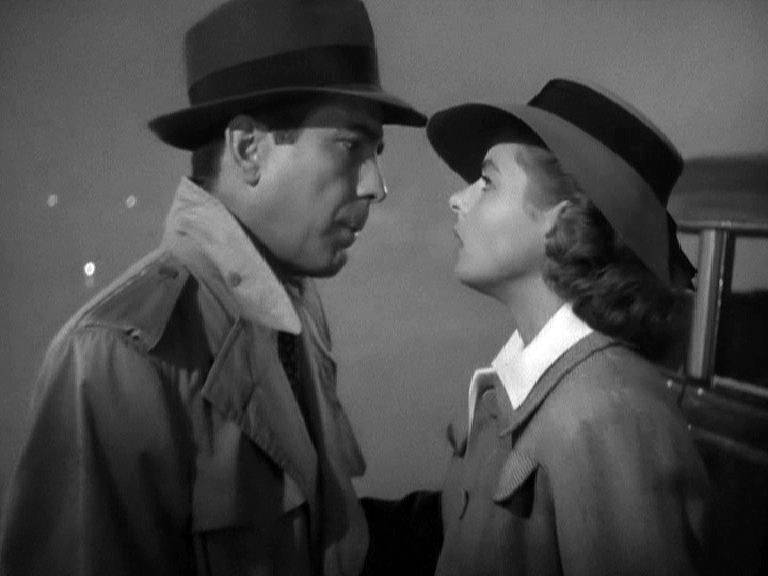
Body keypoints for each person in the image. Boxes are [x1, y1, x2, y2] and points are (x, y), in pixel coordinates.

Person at [0, 1, 425, 575]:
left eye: (376, 153)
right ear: (248, 149)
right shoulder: (118, 355)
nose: (376, 185)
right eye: (351, 146)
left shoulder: (294, 310)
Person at [420, 79, 709, 575]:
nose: (457, 199)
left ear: (562, 219)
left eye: (487, 183)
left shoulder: (608, 415)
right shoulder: (517, 393)